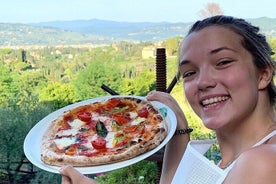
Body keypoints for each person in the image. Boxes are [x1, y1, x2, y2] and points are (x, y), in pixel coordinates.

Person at [59, 15, 276, 183]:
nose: (202, 82)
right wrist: (177, 127)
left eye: (223, 62)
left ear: (263, 74)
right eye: (189, 73)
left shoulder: (263, 162)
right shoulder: (233, 160)